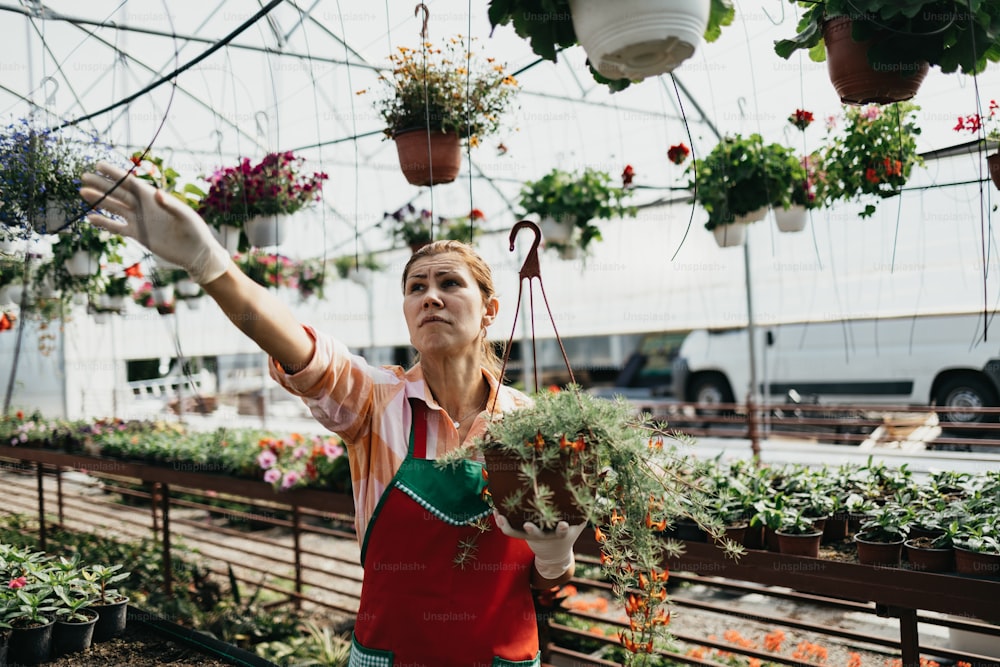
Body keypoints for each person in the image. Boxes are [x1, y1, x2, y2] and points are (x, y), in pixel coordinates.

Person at [79, 162, 586, 667]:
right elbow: (299, 346)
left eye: (450, 283)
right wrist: (209, 264)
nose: (430, 296)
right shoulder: (375, 402)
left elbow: (546, 583)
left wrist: (553, 555)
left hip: (501, 660)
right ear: (407, 314)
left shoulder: (530, 423)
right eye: (416, 288)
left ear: (490, 310)